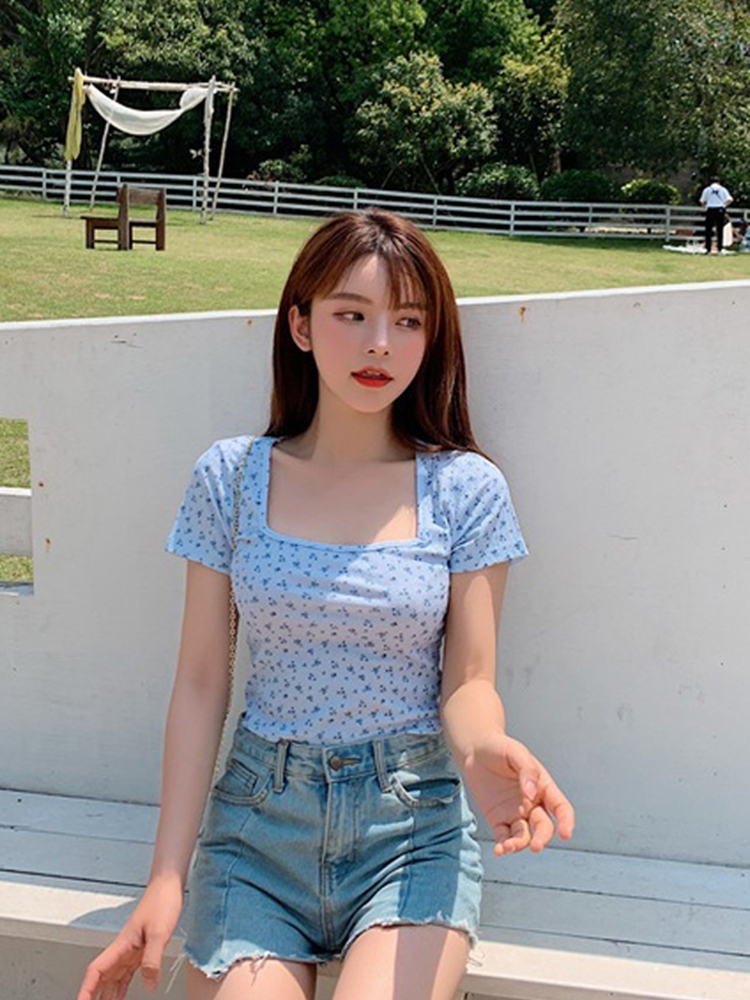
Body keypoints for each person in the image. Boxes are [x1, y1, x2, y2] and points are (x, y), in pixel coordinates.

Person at [77, 209, 575, 1000]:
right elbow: (202, 681)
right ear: (301, 326)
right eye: (352, 315)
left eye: (408, 322)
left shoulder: (465, 488)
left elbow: (469, 681)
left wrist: (485, 749)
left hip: (410, 830)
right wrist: (165, 878)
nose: (380, 343)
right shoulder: (230, 477)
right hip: (257, 831)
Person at [700, 176, 733, 253]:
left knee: (708, 229)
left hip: (710, 209)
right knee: (720, 230)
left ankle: (708, 249)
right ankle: (720, 249)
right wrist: (724, 205)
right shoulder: (723, 189)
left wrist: (706, 206)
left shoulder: (707, 190)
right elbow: (730, 199)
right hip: (720, 209)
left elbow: (702, 201)